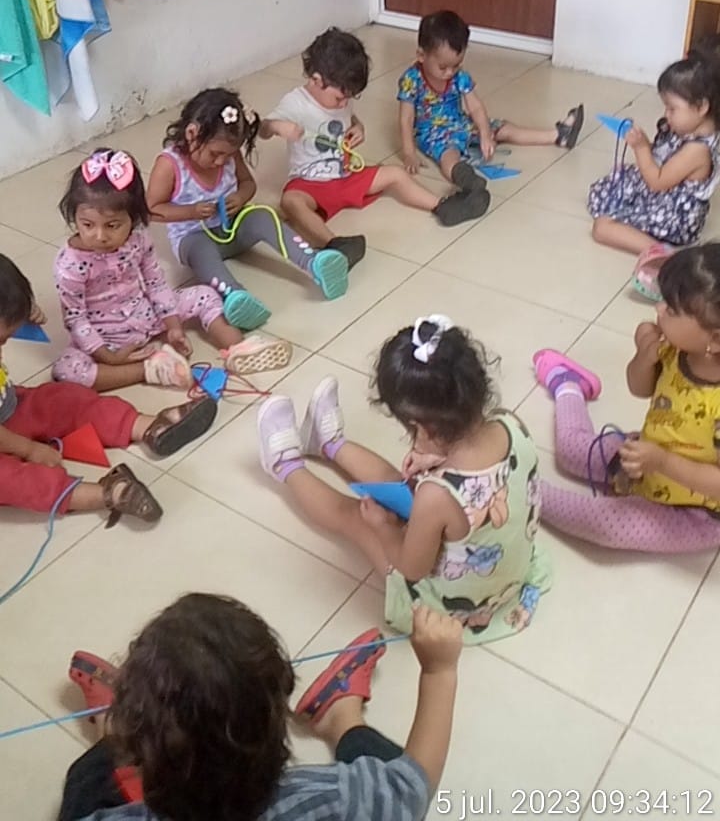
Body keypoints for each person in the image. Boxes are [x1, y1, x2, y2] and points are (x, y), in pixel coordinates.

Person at [257, 315, 551, 642]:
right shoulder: (509, 422)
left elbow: (412, 568)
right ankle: (330, 445)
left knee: (356, 517)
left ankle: (285, 466)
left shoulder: (437, 495)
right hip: (508, 576)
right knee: (401, 484)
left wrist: (383, 527)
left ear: (422, 427)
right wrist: (438, 458)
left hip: (449, 608)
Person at [58, 591, 462, 821]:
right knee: (388, 774)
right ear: (275, 714)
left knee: (86, 778)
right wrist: (439, 671)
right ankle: (343, 717)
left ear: (139, 756)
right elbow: (412, 786)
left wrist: (132, 726)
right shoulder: (335, 797)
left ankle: (109, 730)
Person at [0, 254, 216, 527]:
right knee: (9, 481)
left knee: (65, 398)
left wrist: (24, 310)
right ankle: (105, 493)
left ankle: (148, 427)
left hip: (11, 404)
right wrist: (30, 450)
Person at [54, 148, 290, 393]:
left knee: (205, 294)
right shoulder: (69, 263)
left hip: (146, 314)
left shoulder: (138, 239)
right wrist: (109, 357)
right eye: (87, 224)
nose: (100, 236)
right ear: (74, 217)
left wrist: (174, 326)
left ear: (134, 217)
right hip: (105, 337)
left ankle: (238, 347)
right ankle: (151, 369)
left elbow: (155, 283)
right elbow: (75, 318)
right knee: (67, 370)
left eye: (113, 225)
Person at [534, 243, 720, 553]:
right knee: (569, 451)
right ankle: (569, 386)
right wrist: (644, 357)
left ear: (715, 339)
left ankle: (523, 492)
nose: (658, 309)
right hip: (645, 459)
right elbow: (640, 388)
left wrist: (662, 461)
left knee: (607, 524)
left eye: (671, 310)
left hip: (695, 512)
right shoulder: (678, 349)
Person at [260, 28, 490, 269]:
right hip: (310, 183)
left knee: (395, 174)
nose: (344, 103)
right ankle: (335, 245)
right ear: (316, 80)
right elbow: (263, 128)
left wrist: (358, 127)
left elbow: (349, 118)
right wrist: (278, 126)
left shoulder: (341, 97)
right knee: (291, 201)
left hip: (346, 176)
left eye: (350, 97)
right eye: (340, 98)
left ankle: (443, 206)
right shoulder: (295, 102)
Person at [147, 88, 350, 333]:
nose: (221, 161)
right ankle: (234, 296)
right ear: (192, 134)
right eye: (215, 154)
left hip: (233, 227)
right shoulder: (169, 165)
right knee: (202, 254)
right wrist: (191, 212)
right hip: (194, 236)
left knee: (263, 215)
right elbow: (152, 209)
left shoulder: (229, 155)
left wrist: (240, 197)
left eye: (228, 155)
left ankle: (315, 263)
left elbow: (248, 183)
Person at [588, 46, 720, 298]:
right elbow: (663, 162)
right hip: (666, 199)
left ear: (702, 107)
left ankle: (666, 255)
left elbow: (656, 182)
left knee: (601, 227)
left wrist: (640, 149)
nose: (666, 115)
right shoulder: (691, 131)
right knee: (611, 185)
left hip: (673, 219)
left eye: (672, 108)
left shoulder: (697, 150)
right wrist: (648, 146)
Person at [397, 11, 583, 185]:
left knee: (503, 128)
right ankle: (467, 183)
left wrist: (485, 134)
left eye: (456, 65)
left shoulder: (459, 77)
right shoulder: (412, 80)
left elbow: (475, 108)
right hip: (433, 134)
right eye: (443, 67)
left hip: (461, 123)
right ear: (421, 55)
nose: (450, 72)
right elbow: (406, 119)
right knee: (448, 156)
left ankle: (558, 135)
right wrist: (409, 153)